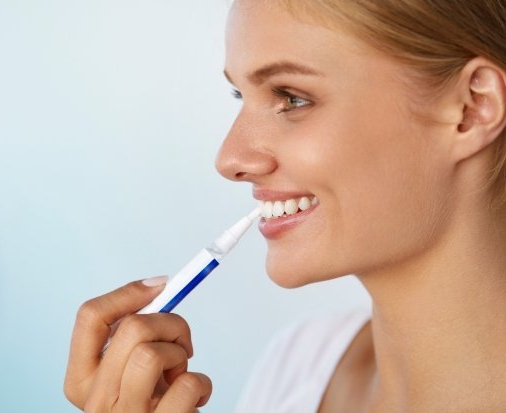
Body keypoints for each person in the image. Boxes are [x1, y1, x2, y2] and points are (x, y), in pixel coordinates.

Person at [64, 0, 506, 411]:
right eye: (240, 95)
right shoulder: (296, 367)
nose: (231, 158)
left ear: (472, 108)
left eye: (292, 97)